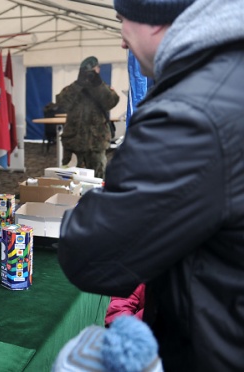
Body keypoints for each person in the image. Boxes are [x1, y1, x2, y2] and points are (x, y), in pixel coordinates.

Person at [58, 0, 244, 370]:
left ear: (155, 21)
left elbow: (91, 254)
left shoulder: (191, 114)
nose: (123, 42)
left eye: (122, 20)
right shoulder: (227, 78)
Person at [56, 56, 119, 178]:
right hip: (74, 143)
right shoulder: (73, 88)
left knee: (97, 179)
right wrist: (78, 83)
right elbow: (61, 103)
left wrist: (98, 84)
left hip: (95, 144)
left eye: (94, 70)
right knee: (69, 179)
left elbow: (111, 102)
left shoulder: (102, 88)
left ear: (98, 71)